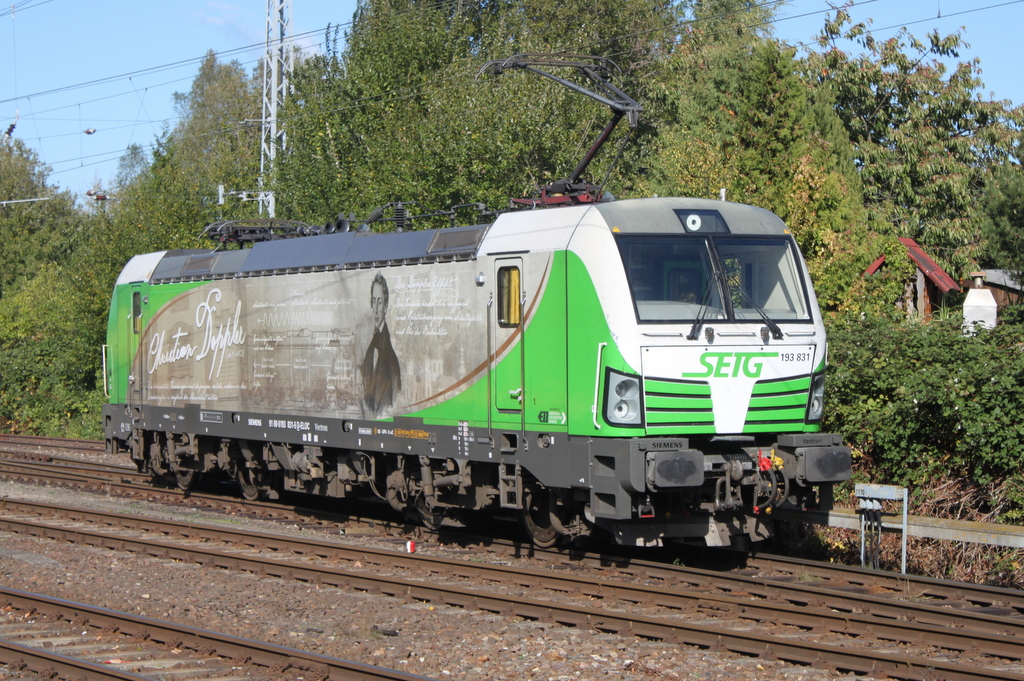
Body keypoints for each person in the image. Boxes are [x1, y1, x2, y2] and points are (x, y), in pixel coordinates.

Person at [361, 272, 401, 415]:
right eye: (374, 301)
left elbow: (395, 401)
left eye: (380, 302)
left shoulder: (392, 362)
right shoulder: (369, 352)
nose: (376, 309)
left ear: (385, 306)